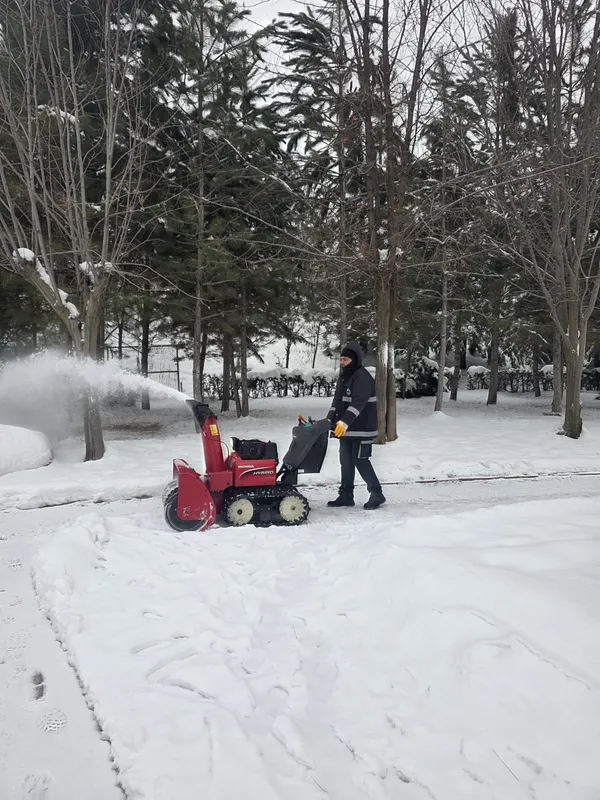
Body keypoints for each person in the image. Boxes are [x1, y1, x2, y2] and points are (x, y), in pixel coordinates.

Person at [326, 341, 386, 510]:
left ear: (354, 360)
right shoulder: (345, 376)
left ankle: (377, 493)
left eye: (345, 359)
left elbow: (358, 403)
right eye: (341, 359)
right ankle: (346, 495)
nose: (342, 362)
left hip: (362, 428)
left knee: (360, 460)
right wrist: (329, 420)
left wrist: (344, 422)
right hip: (346, 429)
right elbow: (337, 401)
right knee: (345, 461)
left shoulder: (362, 377)